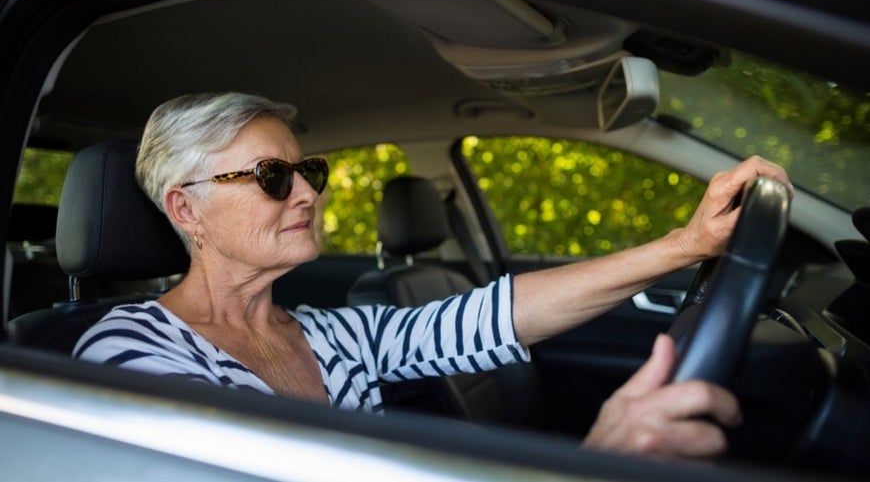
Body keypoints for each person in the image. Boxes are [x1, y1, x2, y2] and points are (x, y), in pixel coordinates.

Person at [73, 91, 792, 460]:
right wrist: (593, 462)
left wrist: (684, 243)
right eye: (271, 175)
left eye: (308, 171)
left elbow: (498, 316)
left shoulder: (333, 334)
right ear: (185, 209)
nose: (308, 193)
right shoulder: (129, 353)